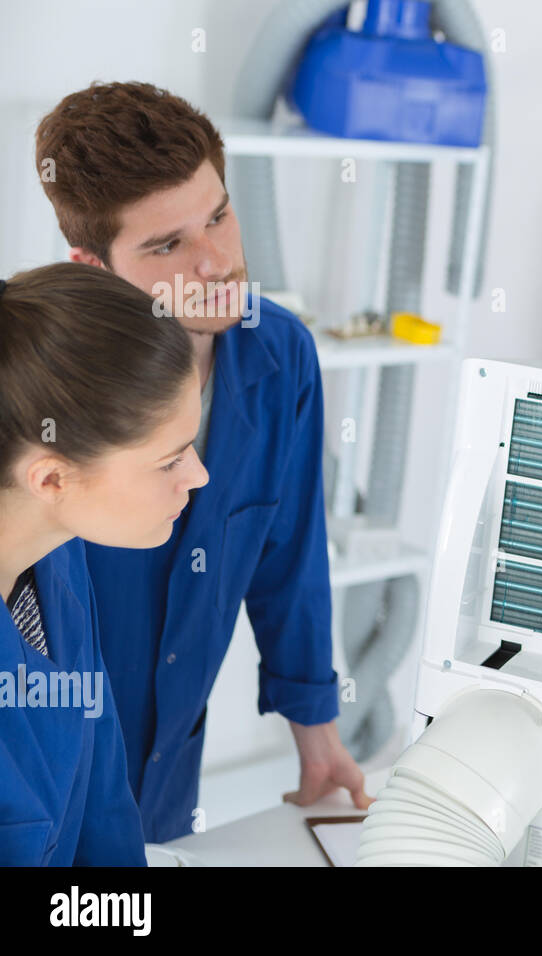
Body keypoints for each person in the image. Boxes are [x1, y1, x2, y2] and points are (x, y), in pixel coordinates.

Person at [34, 81, 371, 844]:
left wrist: (316, 737)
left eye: (218, 216)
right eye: (167, 245)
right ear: (91, 264)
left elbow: (289, 555)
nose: (216, 262)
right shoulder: (39, 388)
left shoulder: (279, 355)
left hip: (167, 774)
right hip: (44, 780)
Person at [0, 263, 207, 864]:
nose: (199, 476)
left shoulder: (57, 558)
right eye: (169, 460)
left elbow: (102, 801)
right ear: (52, 477)